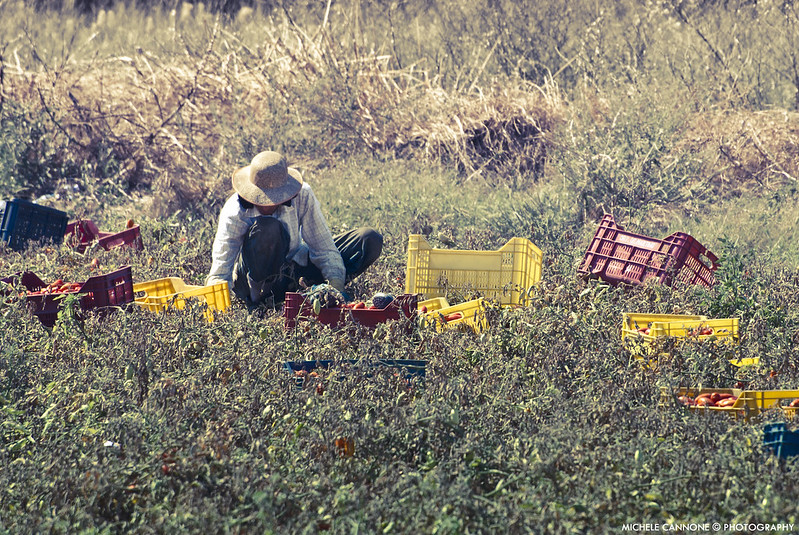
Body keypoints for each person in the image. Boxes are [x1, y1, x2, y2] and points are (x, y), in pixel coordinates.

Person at [206, 150, 383, 308]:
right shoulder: (234, 211)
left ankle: (312, 292)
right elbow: (221, 270)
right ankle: (264, 300)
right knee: (267, 228)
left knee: (368, 239)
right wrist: (218, 306)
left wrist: (336, 286)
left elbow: (323, 247)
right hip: (255, 282)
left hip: (294, 270)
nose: (267, 204)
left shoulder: (302, 195)